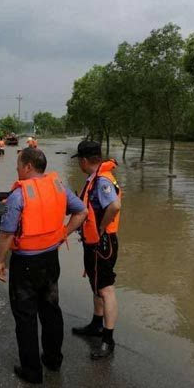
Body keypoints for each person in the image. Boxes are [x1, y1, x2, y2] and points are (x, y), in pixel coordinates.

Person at [0, 148, 87, 384]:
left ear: (27, 167)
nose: (16, 169)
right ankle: (54, 360)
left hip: (25, 264)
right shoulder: (59, 187)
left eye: (18, 165)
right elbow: (82, 211)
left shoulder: (19, 195)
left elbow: (6, 234)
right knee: (51, 310)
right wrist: (63, 234)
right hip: (50, 260)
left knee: (25, 317)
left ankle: (32, 371)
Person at [71, 141, 122, 360]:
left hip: (103, 242)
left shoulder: (102, 180)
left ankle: (108, 340)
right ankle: (96, 324)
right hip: (94, 242)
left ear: (84, 160)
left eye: (79, 161)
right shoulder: (95, 178)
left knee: (106, 289)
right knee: (96, 284)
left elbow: (114, 206)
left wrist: (101, 228)